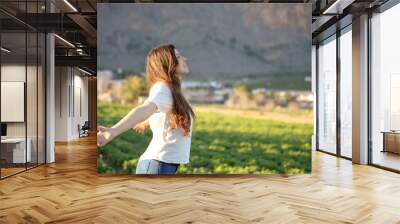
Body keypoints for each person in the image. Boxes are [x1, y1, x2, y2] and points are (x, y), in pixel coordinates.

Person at [97, 44, 195, 175]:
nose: (185, 58)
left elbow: (162, 111)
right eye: (178, 56)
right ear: (167, 63)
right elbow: (145, 108)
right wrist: (112, 131)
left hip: (164, 165)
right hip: (158, 166)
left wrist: (146, 123)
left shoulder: (172, 91)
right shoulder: (162, 88)